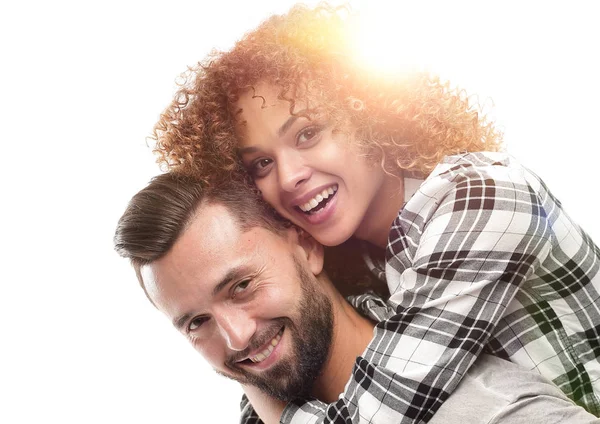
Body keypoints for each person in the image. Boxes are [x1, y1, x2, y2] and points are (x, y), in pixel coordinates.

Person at [149, 3, 600, 422]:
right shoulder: (355, 257)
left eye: (308, 134)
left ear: (371, 117)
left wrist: (269, 399)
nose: (288, 177)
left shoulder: (480, 197)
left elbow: (378, 412)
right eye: (261, 163)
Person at [114, 173, 599, 424]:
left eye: (241, 286)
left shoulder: (490, 411)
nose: (236, 335)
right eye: (196, 322)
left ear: (305, 246)